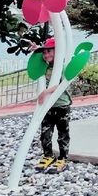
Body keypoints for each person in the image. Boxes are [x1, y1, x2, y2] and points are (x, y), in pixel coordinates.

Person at [33, 37, 71, 173]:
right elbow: (35, 66)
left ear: (57, 51)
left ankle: (63, 158)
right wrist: (37, 51)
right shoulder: (45, 67)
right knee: (45, 133)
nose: (46, 55)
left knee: (62, 133)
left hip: (62, 106)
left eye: (50, 51)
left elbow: (63, 84)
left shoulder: (62, 66)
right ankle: (48, 156)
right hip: (48, 107)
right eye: (44, 52)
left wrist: (45, 92)